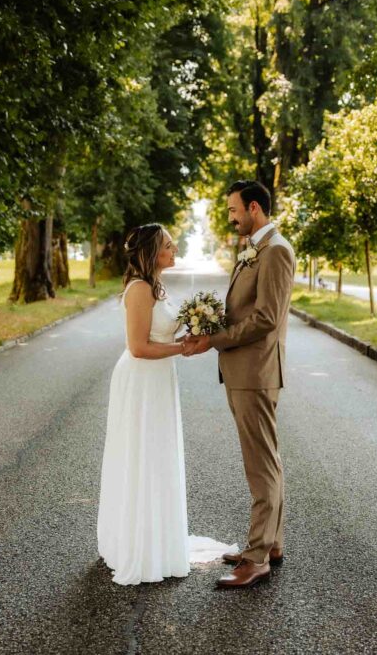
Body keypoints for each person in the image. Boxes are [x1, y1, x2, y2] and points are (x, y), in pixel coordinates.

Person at [97, 223, 237, 585]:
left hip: (159, 379)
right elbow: (139, 348)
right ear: (150, 252)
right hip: (141, 379)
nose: (174, 251)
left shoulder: (156, 286)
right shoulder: (140, 289)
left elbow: (161, 332)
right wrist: (183, 348)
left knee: (158, 456)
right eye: (168, 247)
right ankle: (138, 543)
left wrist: (191, 333)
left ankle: (157, 536)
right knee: (142, 455)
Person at [185, 180, 296, 589]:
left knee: (260, 464)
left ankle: (256, 559)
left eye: (233, 210)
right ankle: (271, 543)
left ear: (253, 207)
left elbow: (266, 318)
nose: (230, 217)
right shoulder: (255, 248)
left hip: (255, 373)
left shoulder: (277, 251)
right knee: (267, 458)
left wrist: (212, 339)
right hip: (243, 371)